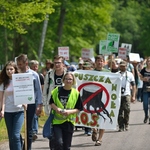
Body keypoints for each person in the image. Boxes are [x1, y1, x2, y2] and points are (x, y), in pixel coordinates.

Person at [49, 72, 83, 150]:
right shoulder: (56, 91)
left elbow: (79, 108)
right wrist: (57, 109)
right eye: (66, 79)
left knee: (67, 147)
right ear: (63, 80)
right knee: (58, 143)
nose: (68, 81)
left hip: (69, 123)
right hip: (57, 122)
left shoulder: (76, 93)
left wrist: (69, 112)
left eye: (70, 79)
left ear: (73, 81)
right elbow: (51, 102)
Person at [16, 54, 43, 150]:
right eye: (17, 64)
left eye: (20, 64)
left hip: (31, 104)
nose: (19, 66)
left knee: (29, 128)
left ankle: (27, 148)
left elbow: (38, 90)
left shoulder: (34, 75)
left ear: (26, 63)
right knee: (16, 129)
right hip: (18, 103)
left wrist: (40, 105)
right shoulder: (16, 74)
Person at [42, 55, 67, 149]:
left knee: (64, 133)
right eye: (55, 63)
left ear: (63, 64)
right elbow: (45, 92)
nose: (56, 65)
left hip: (65, 107)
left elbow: (74, 90)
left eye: (59, 63)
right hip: (52, 107)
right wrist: (45, 104)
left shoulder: (68, 75)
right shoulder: (49, 75)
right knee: (52, 132)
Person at [0, 61, 24, 150]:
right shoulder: (3, 84)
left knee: (16, 135)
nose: (9, 71)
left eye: (11, 69)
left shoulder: (21, 81)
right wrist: (2, 110)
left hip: (19, 111)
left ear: (15, 70)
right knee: (11, 136)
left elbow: (25, 94)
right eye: (7, 69)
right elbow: (2, 99)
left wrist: (25, 103)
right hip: (8, 112)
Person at [91, 55, 110, 146]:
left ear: (104, 62)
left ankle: (100, 139)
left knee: (103, 118)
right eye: (98, 61)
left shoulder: (108, 72)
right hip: (93, 98)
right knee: (93, 116)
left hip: (104, 98)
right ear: (95, 62)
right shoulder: (90, 73)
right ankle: (94, 129)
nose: (100, 62)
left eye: (101, 61)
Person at [118, 61, 136, 131]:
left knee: (127, 110)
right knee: (119, 111)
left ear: (126, 66)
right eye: (121, 66)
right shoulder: (116, 74)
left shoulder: (130, 74)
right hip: (118, 95)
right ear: (119, 66)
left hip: (126, 94)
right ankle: (121, 126)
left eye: (124, 66)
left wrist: (133, 95)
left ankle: (126, 123)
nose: (123, 67)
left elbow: (134, 85)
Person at [29, 60, 44, 141]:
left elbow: (41, 88)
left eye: (36, 66)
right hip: (28, 98)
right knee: (31, 116)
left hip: (36, 98)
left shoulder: (39, 76)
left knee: (35, 116)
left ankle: (34, 132)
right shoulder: (27, 75)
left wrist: (40, 99)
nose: (35, 68)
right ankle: (31, 130)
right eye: (33, 66)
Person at [140, 56, 150, 123]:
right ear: (146, 62)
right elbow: (140, 77)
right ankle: (146, 115)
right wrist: (144, 79)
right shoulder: (143, 70)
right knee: (145, 104)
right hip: (145, 89)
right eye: (148, 61)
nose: (149, 62)